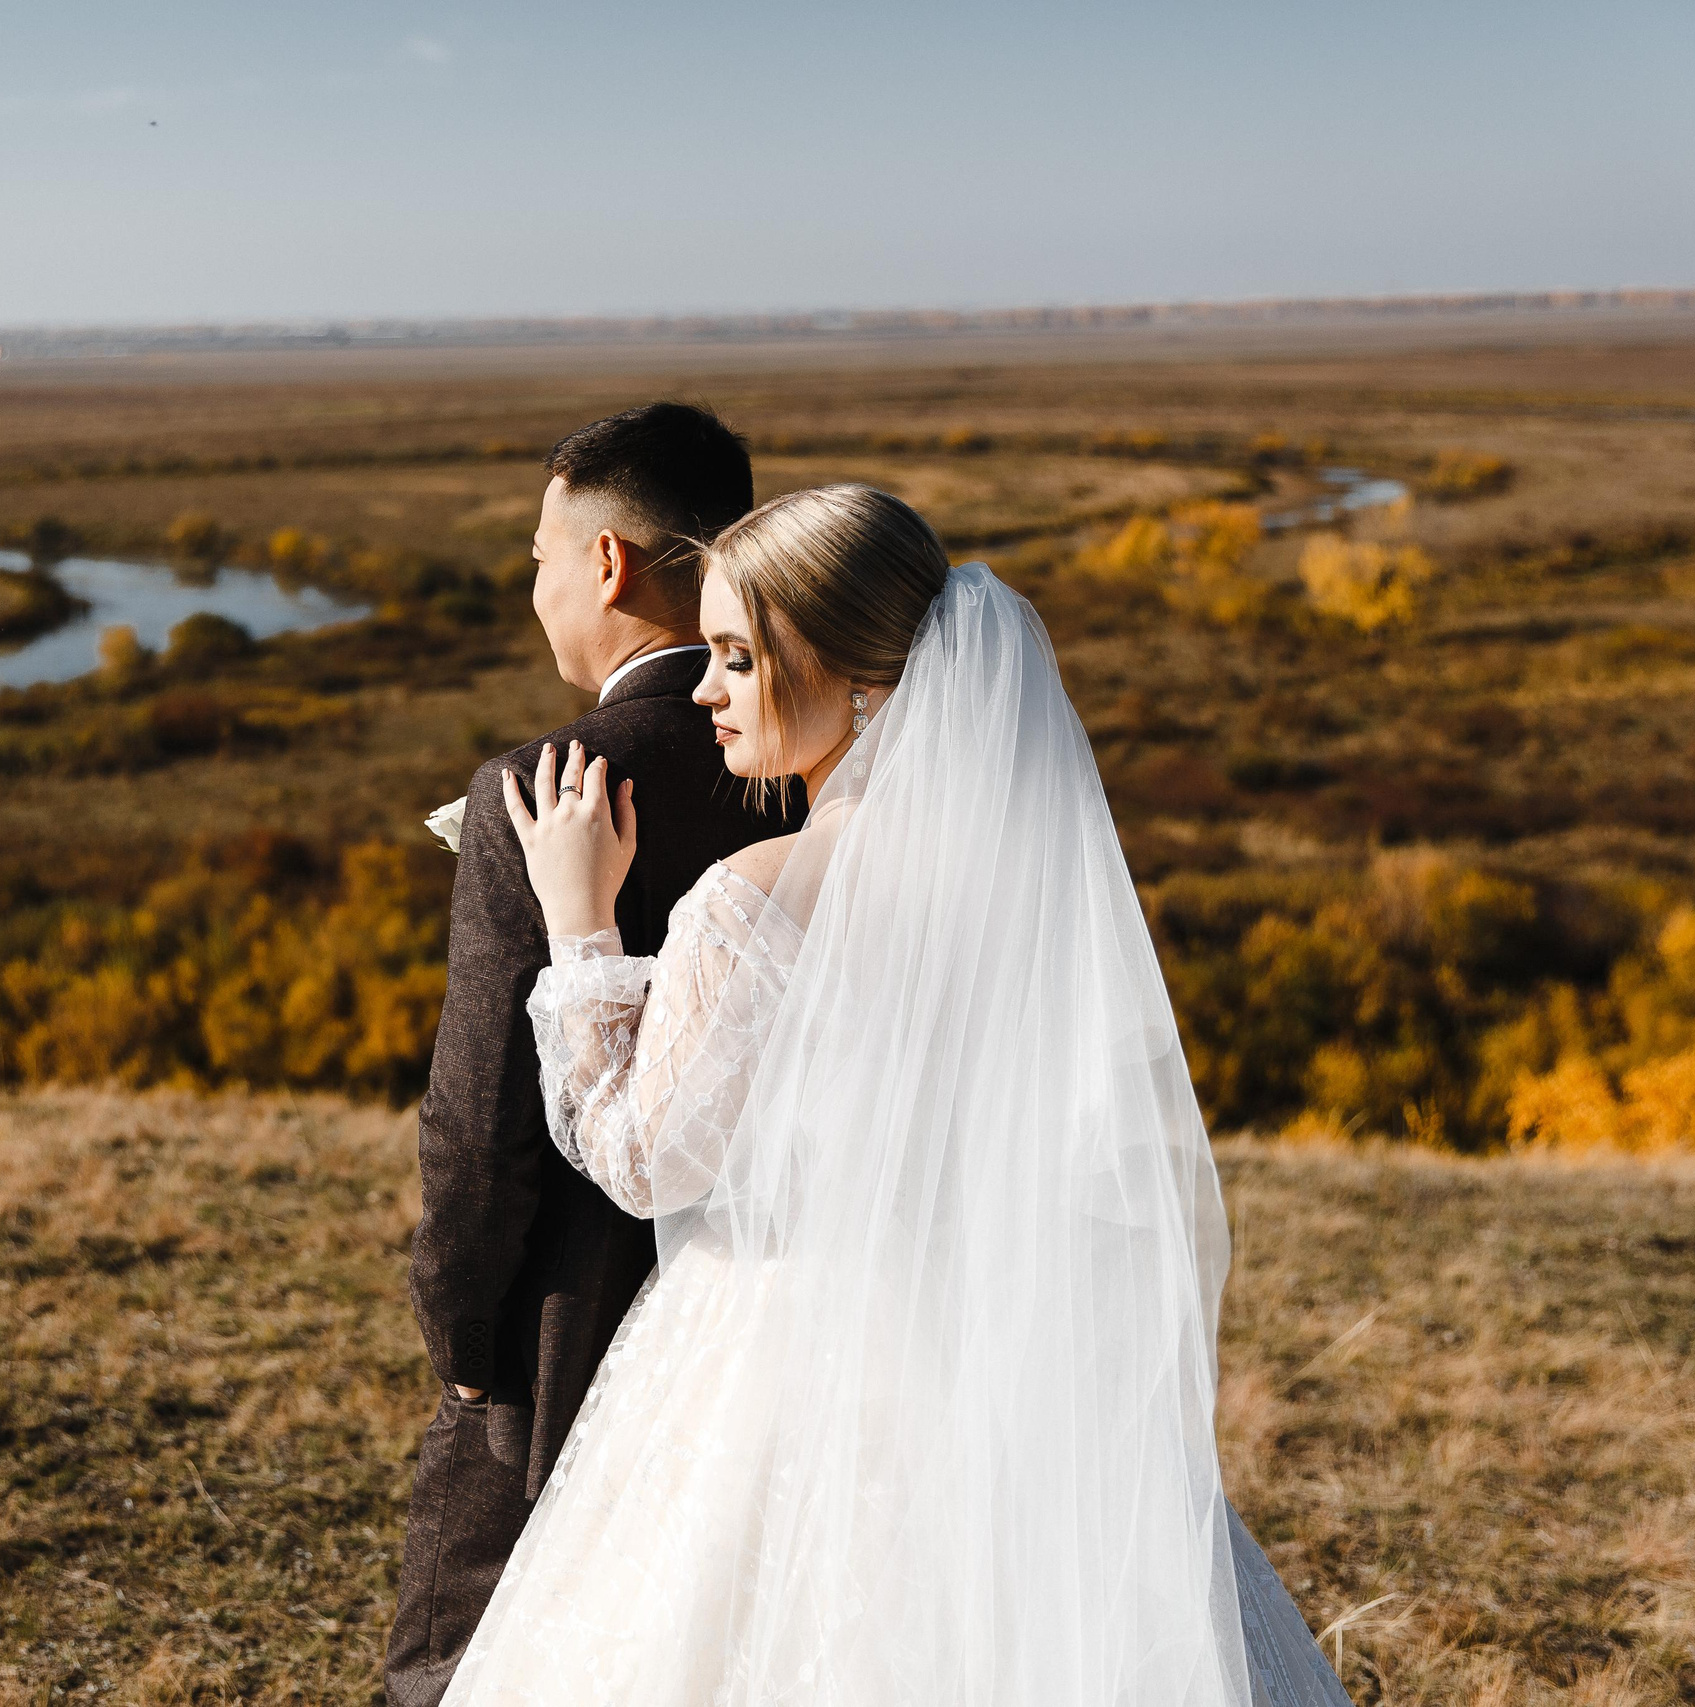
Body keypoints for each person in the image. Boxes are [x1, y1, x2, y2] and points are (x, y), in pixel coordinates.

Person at [445, 485, 1351, 1704]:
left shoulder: (750, 900)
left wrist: (581, 927)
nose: (705, 690)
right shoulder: (1026, 883)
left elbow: (646, 1158)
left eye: (733, 658)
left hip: (778, 1362)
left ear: (847, 673)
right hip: (998, 1351)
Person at [388, 403, 805, 1707]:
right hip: (811, 1318)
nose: (535, 586)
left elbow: (478, 1125)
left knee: (460, 1666)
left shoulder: (547, 786)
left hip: (568, 1347)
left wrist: (462, 1334)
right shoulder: (835, 763)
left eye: (538, 556)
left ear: (610, 563)